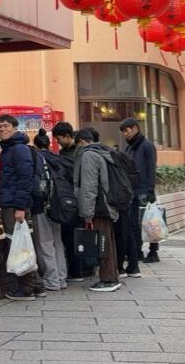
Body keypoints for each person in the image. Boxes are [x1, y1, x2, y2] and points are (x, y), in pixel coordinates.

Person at [0, 114, 44, 300]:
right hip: (10, 202)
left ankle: (26, 289)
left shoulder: (18, 149)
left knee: (18, 246)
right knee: (21, 243)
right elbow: (7, 177)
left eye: (6, 126)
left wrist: (20, 207)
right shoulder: (9, 149)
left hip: (15, 205)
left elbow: (25, 179)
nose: (2, 129)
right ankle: (38, 286)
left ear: (15, 128)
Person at [72, 128, 121, 292]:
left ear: (81, 142)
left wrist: (87, 213)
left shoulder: (88, 156)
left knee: (102, 243)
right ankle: (112, 277)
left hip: (98, 206)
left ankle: (108, 280)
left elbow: (89, 187)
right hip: (107, 204)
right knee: (108, 242)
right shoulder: (103, 151)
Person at [32, 128, 69, 291]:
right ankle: (61, 278)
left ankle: (51, 279)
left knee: (45, 243)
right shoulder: (57, 158)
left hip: (42, 205)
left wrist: (38, 198)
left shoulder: (37, 158)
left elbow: (38, 183)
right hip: (58, 205)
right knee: (57, 242)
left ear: (36, 145)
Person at [121, 117, 159, 268]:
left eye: (126, 130)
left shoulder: (147, 146)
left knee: (150, 222)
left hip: (144, 190)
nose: (125, 134)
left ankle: (153, 252)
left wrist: (151, 189)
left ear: (135, 128)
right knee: (134, 223)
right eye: (123, 131)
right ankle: (137, 251)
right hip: (132, 190)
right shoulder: (128, 148)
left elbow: (151, 168)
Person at [53, 122, 85, 282]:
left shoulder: (79, 153)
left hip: (74, 200)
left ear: (67, 136)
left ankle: (77, 270)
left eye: (59, 139)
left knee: (72, 236)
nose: (58, 142)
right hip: (72, 199)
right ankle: (81, 269)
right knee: (73, 235)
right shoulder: (68, 153)